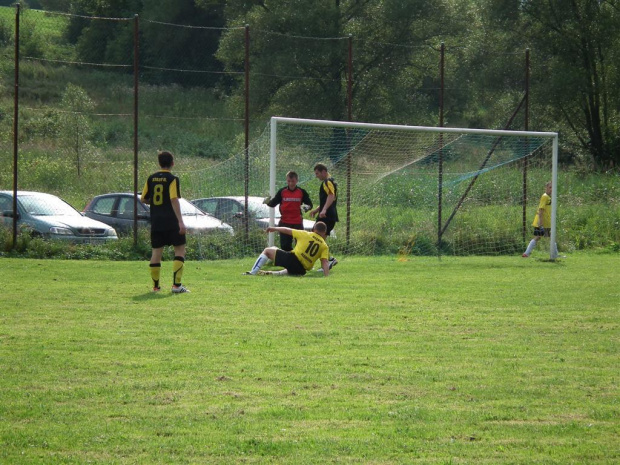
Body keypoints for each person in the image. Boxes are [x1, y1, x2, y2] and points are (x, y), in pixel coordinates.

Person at [141, 151, 190, 293]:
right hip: (171, 221)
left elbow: (143, 199)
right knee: (179, 249)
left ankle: (156, 287)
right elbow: (174, 199)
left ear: (159, 163)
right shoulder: (172, 179)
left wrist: (157, 204)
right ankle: (176, 286)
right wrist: (180, 222)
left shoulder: (151, 178)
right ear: (172, 163)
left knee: (156, 252)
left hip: (156, 221)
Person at [244, 222, 331, 276]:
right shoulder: (324, 246)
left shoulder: (306, 234)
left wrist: (274, 228)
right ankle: (274, 273)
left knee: (267, 251)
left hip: (292, 260)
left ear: (313, 229)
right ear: (324, 233)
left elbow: (287, 230)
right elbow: (324, 262)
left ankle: (253, 272)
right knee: (275, 249)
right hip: (301, 271)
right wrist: (326, 276)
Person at [264, 171, 313, 251]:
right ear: (286, 181)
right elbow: (273, 203)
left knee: (300, 245)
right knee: (285, 246)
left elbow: (310, 204)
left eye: (293, 181)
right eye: (288, 181)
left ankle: (298, 261)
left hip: (297, 223)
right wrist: (267, 202)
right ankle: (288, 261)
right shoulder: (282, 191)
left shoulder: (301, 192)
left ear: (297, 181)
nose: (290, 183)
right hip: (285, 222)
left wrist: (306, 207)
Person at [309, 163, 338, 269]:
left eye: (317, 173)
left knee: (317, 239)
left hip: (327, 216)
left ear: (324, 172)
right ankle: (329, 260)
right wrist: (317, 209)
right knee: (318, 239)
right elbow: (327, 198)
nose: (316, 176)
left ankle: (327, 262)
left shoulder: (327, 182)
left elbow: (331, 196)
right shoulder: (330, 181)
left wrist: (324, 210)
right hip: (327, 215)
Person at [522, 181, 558, 258]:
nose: (551, 189)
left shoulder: (549, 197)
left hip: (546, 221)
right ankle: (555, 255)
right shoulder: (545, 197)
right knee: (550, 237)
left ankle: (526, 253)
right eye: (550, 187)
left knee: (539, 237)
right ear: (546, 188)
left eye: (552, 187)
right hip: (542, 222)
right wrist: (540, 224)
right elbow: (541, 210)